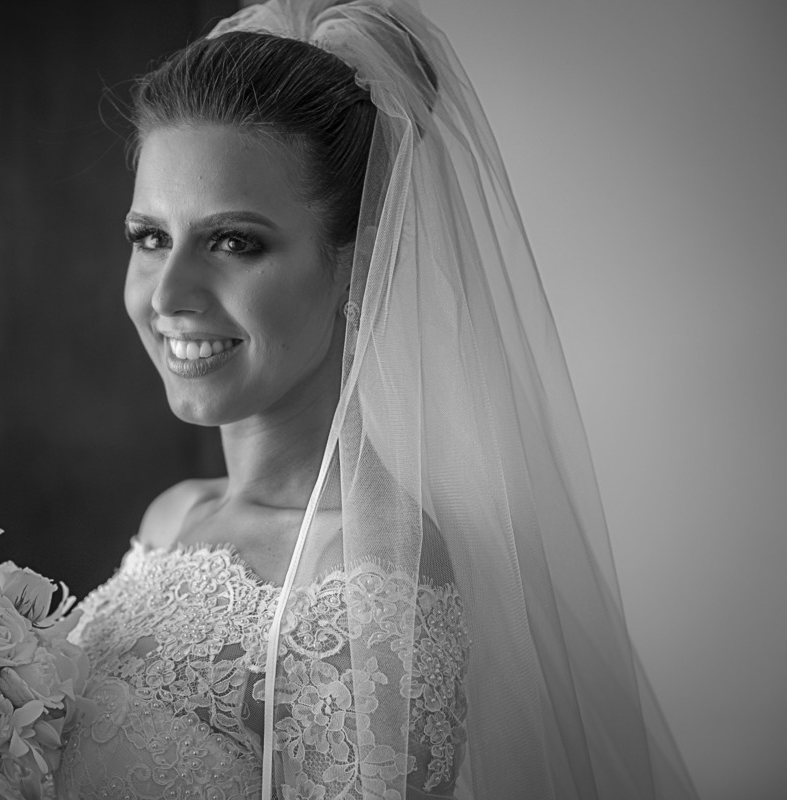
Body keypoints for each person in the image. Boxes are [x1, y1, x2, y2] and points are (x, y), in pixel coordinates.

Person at [55, 1, 700, 798]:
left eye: (234, 242)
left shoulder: (365, 582)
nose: (170, 295)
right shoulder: (174, 516)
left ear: (356, 268)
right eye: (150, 237)